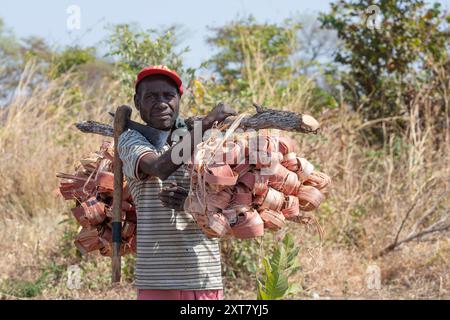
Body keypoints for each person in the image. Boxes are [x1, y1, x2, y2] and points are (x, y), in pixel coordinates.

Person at [117, 65, 237, 300]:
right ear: (137, 102)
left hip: (203, 274)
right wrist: (208, 121)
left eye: (168, 96)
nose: (161, 103)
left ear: (179, 100)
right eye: (151, 96)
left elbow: (228, 202)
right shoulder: (131, 140)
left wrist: (191, 203)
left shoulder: (208, 144)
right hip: (157, 280)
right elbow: (159, 168)